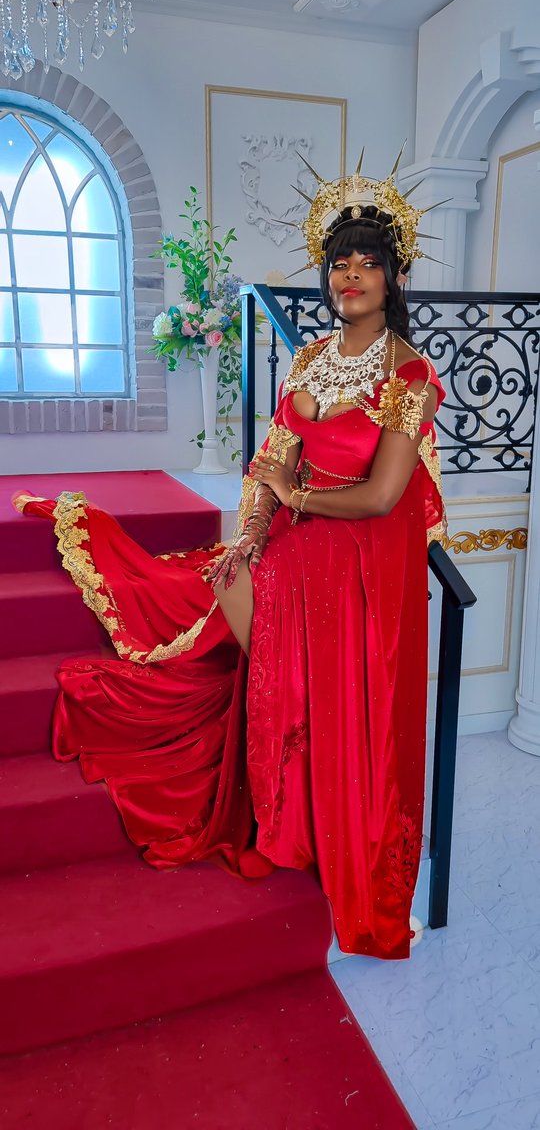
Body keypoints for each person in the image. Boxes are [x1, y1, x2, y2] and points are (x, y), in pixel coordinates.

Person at [14, 159, 446, 960]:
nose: (350, 276)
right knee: (235, 586)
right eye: (339, 263)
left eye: (367, 264)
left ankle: (344, 840)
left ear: (394, 278)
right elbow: (271, 460)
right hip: (298, 544)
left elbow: (384, 496)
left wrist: (295, 495)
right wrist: (251, 529)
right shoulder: (310, 360)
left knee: (343, 707)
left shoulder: (409, 374)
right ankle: (292, 818)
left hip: (361, 567)